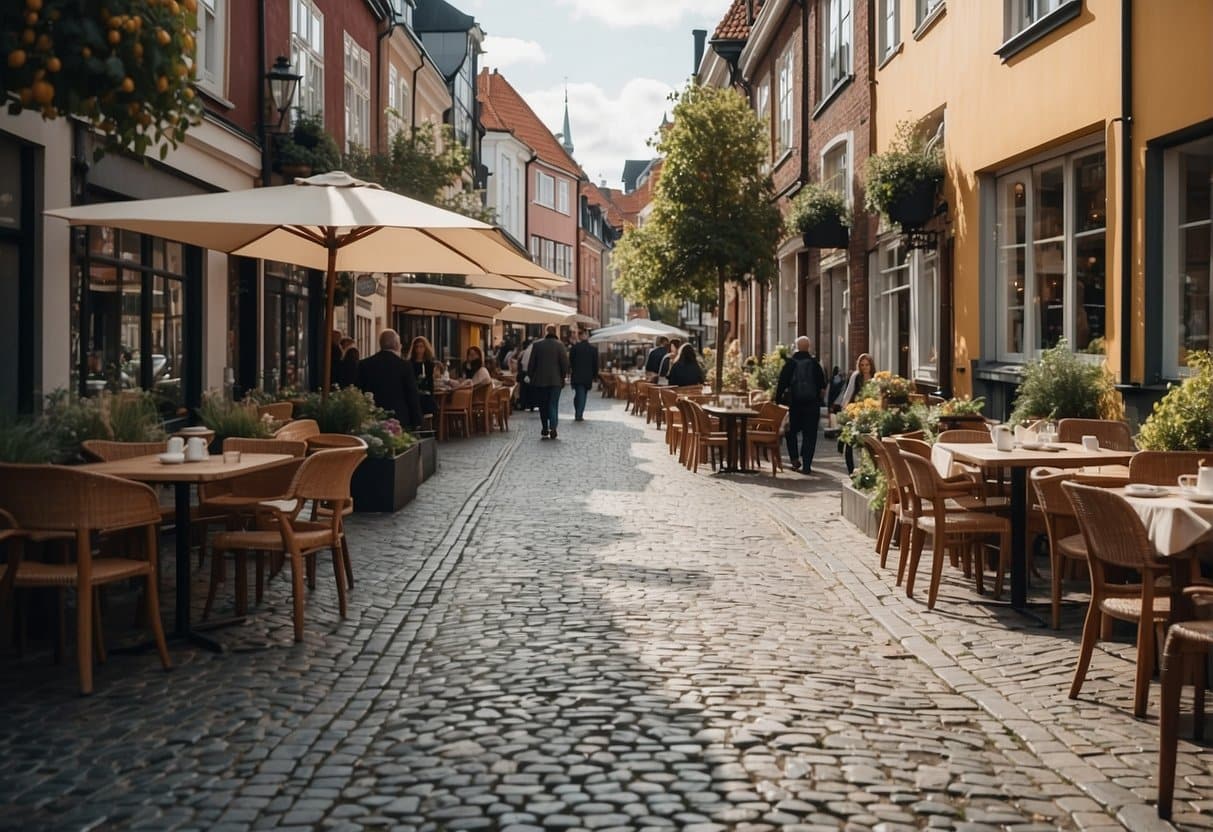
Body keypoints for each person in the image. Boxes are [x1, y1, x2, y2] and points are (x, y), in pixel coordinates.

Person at [775, 335, 827, 474]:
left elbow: (781, 384)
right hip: (812, 405)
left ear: (796, 346)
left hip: (794, 405)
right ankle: (807, 464)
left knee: (790, 432)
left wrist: (777, 401)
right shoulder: (815, 364)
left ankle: (794, 459)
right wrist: (818, 400)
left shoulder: (790, 364)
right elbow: (823, 387)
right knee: (810, 435)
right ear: (809, 347)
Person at [356, 329, 423, 430]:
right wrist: (417, 420)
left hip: (372, 416)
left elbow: (359, 390)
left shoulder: (364, 364)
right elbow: (411, 394)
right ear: (396, 344)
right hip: (399, 417)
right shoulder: (404, 366)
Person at [527, 324, 570, 439]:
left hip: (540, 381)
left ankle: (545, 428)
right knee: (553, 404)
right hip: (556, 381)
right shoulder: (560, 346)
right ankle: (554, 427)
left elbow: (531, 364)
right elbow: (565, 365)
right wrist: (563, 377)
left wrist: (531, 376)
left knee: (543, 405)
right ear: (555, 332)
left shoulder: (537, 345)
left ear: (546, 332)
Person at [835, 353, 875, 474]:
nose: (864, 367)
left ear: (871, 365)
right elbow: (849, 392)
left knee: (866, 442)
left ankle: (865, 467)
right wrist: (845, 409)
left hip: (869, 412)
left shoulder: (875, 378)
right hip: (855, 411)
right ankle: (851, 470)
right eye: (862, 365)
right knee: (850, 440)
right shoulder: (856, 376)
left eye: (867, 365)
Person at [568, 329, 599, 422]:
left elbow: (571, 362)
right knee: (583, 395)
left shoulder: (574, 348)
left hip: (577, 375)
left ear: (581, 336)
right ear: (587, 336)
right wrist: (595, 376)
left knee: (579, 394)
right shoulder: (593, 349)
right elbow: (595, 364)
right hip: (587, 376)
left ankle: (578, 412)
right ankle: (579, 414)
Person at [408, 336, 438, 420]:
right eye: (417, 347)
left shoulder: (429, 364)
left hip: (426, 392)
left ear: (425, 348)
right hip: (414, 392)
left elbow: (430, 381)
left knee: (427, 401)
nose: (419, 350)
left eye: (421, 347)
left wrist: (431, 393)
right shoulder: (410, 363)